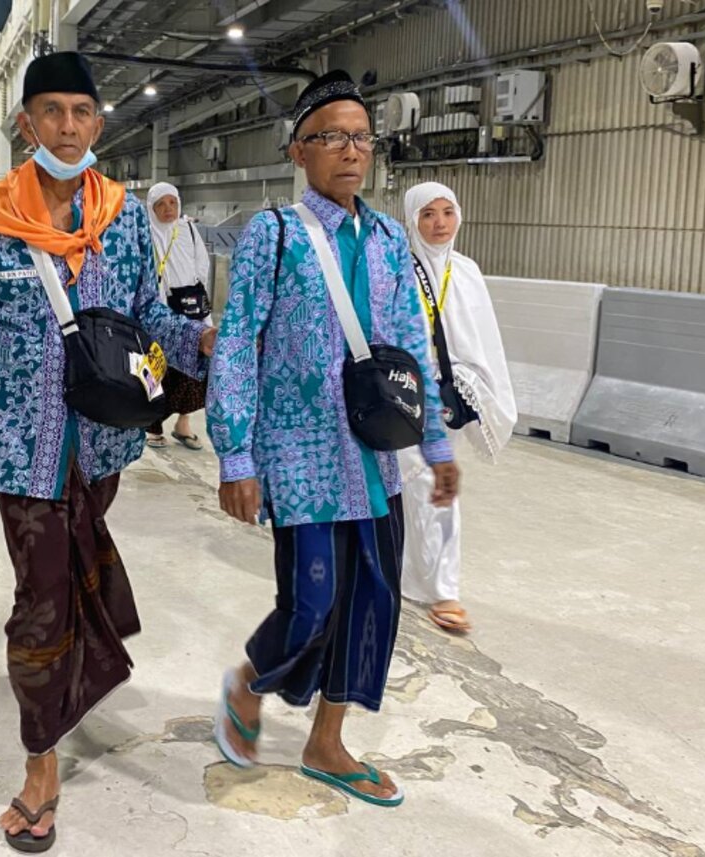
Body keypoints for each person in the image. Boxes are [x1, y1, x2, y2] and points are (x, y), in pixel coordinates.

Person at [0, 51, 215, 853]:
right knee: (42, 599)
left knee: (69, 590)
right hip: (21, 448)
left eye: (82, 113)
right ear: (27, 124)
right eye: (52, 112)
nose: (68, 126)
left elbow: (151, 312)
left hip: (104, 444)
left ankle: (67, 691)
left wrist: (205, 337)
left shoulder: (120, 215)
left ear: (99, 121)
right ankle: (40, 760)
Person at [206, 70, 460, 808]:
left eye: (360, 137)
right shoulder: (275, 236)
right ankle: (249, 683)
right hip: (299, 453)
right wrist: (237, 452)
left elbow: (411, 346)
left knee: (372, 604)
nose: (351, 151)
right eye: (331, 137)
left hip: (374, 456)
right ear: (298, 151)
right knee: (312, 601)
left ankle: (328, 741)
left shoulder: (385, 237)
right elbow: (237, 343)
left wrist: (436, 445)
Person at [399, 182, 517, 634]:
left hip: (446, 397)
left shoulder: (467, 271)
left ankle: (440, 588)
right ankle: (423, 581)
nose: (439, 223)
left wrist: (471, 382)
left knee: (431, 486)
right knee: (409, 483)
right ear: (412, 220)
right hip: (401, 392)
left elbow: (482, 336)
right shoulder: (398, 269)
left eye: (448, 212)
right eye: (428, 214)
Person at [143, 181, 212, 451]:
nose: (167, 209)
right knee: (158, 368)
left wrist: (200, 305)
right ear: (152, 208)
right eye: (160, 204)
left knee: (194, 370)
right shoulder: (147, 234)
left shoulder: (189, 230)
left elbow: (201, 266)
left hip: (192, 308)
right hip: (160, 308)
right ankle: (152, 424)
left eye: (172, 202)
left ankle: (183, 422)